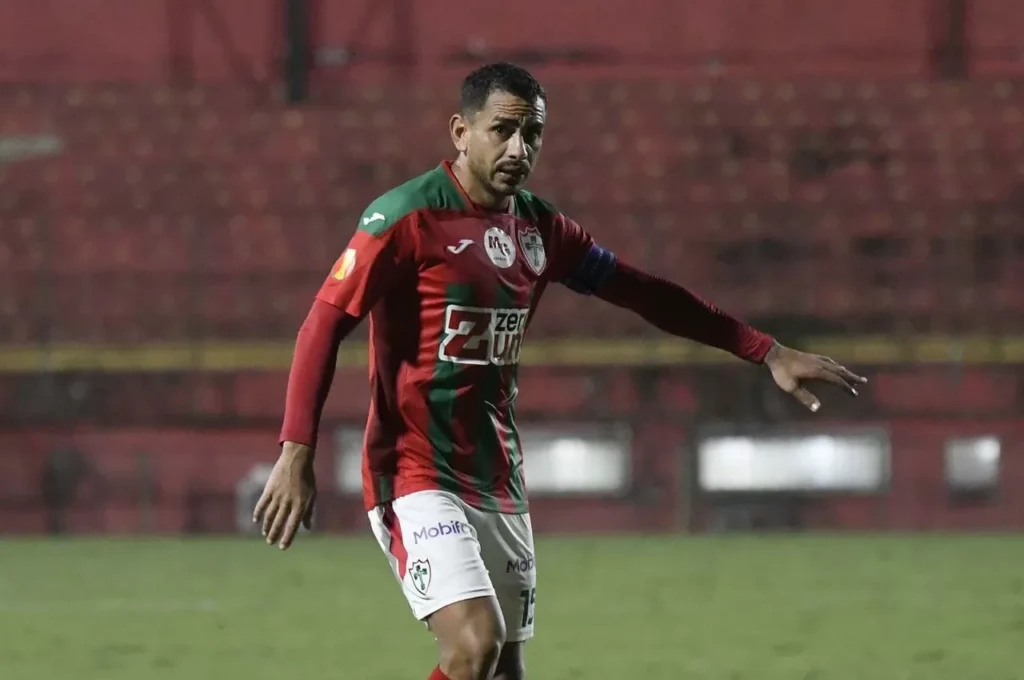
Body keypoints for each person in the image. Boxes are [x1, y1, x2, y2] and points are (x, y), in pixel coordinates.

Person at [253, 62, 867, 680]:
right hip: (415, 471)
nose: (519, 149)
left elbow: (644, 292)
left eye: (533, 134)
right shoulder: (407, 218)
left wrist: (765, 350)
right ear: (461, 132)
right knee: (474, 646)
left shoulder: (541, 229)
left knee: (503, 670)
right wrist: (295, 451)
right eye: (503, 131)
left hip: (498, 475)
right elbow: (322, 325)